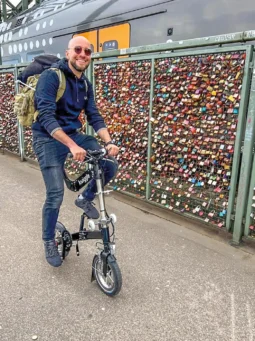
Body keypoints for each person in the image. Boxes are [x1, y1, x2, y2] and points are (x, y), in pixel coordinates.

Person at [32, 36, 119, 267]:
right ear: (68, 53)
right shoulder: (51, 77)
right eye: (78, 50)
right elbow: (46, 116)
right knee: (55, 195)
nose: (83, 54)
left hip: (73, 135)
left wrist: (109, 142)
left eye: (87, 52)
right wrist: (71, 145)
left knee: (109, 164)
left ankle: (84, 198)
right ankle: (49, 239)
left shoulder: (85, 84)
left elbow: (94, 116)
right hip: (47, 139)